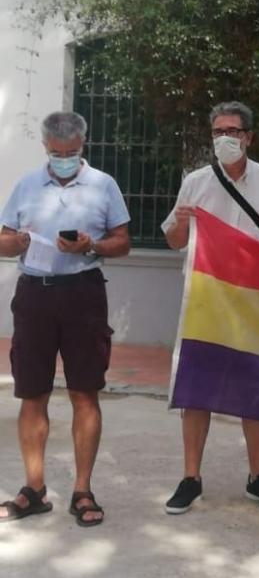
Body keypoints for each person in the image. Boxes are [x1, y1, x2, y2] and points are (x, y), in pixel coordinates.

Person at [162, 101, 259, 514]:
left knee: (256, 390)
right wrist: (183, 223)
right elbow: (174, 240)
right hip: (206, 304)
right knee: (196, 390)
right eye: (218, 132)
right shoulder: (196, 182)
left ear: (249, 137)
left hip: (255, 305)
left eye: (233, 131)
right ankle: (191, 478)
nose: (225, 138)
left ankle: (258, 476)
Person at [0, 111, 131, 527]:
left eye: (71, 153)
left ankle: (83, 490)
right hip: (34, 296)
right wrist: (14, 241)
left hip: (83, 295)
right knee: (32, 393)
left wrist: (92, 246)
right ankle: (33, 489)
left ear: (83, 147)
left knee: (84, 392)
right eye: (57, 153)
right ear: (45, 148)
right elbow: (1, 240)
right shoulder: (25, 185)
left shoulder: (103, 185)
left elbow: (123, 242)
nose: (64, 159)